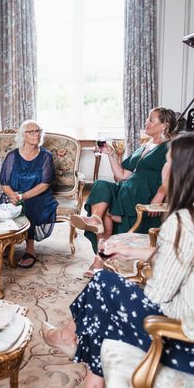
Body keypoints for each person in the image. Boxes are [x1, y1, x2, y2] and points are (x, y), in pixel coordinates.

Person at [41, 132, 194, 388]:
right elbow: (192, 258)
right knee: (108, 291)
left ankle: (69, 339)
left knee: (105, 287)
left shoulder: (184, 221)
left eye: (169, 162)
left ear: (183, 172)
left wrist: (131, 274)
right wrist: (133, 250)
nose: (164, 167)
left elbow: (158, 293)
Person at [70, 107, 177, 276]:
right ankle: (95, 220)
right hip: (127, 190)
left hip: (144, 195)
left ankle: (99, 259)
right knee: (101, 185)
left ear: (165, 125)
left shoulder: (172, 147)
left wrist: (160, 195)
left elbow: (174, 174)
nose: (146, 123)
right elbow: (121, 176)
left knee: (107, 211)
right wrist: (111, 154)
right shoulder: (144, 147)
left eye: (151, 120)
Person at [0, 120, 57, 268]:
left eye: (38, 131)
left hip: (37, 195)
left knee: (28, 207)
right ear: (22, 136)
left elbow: (44, 184)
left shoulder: (45, 156)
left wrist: (22, 197)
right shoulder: (12, 156)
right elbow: (4, 183)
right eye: (31, 132)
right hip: (14, 194)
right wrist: (13, 196)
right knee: (1, 209)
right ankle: (6, 243)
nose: (36, 134)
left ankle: (30, 249)